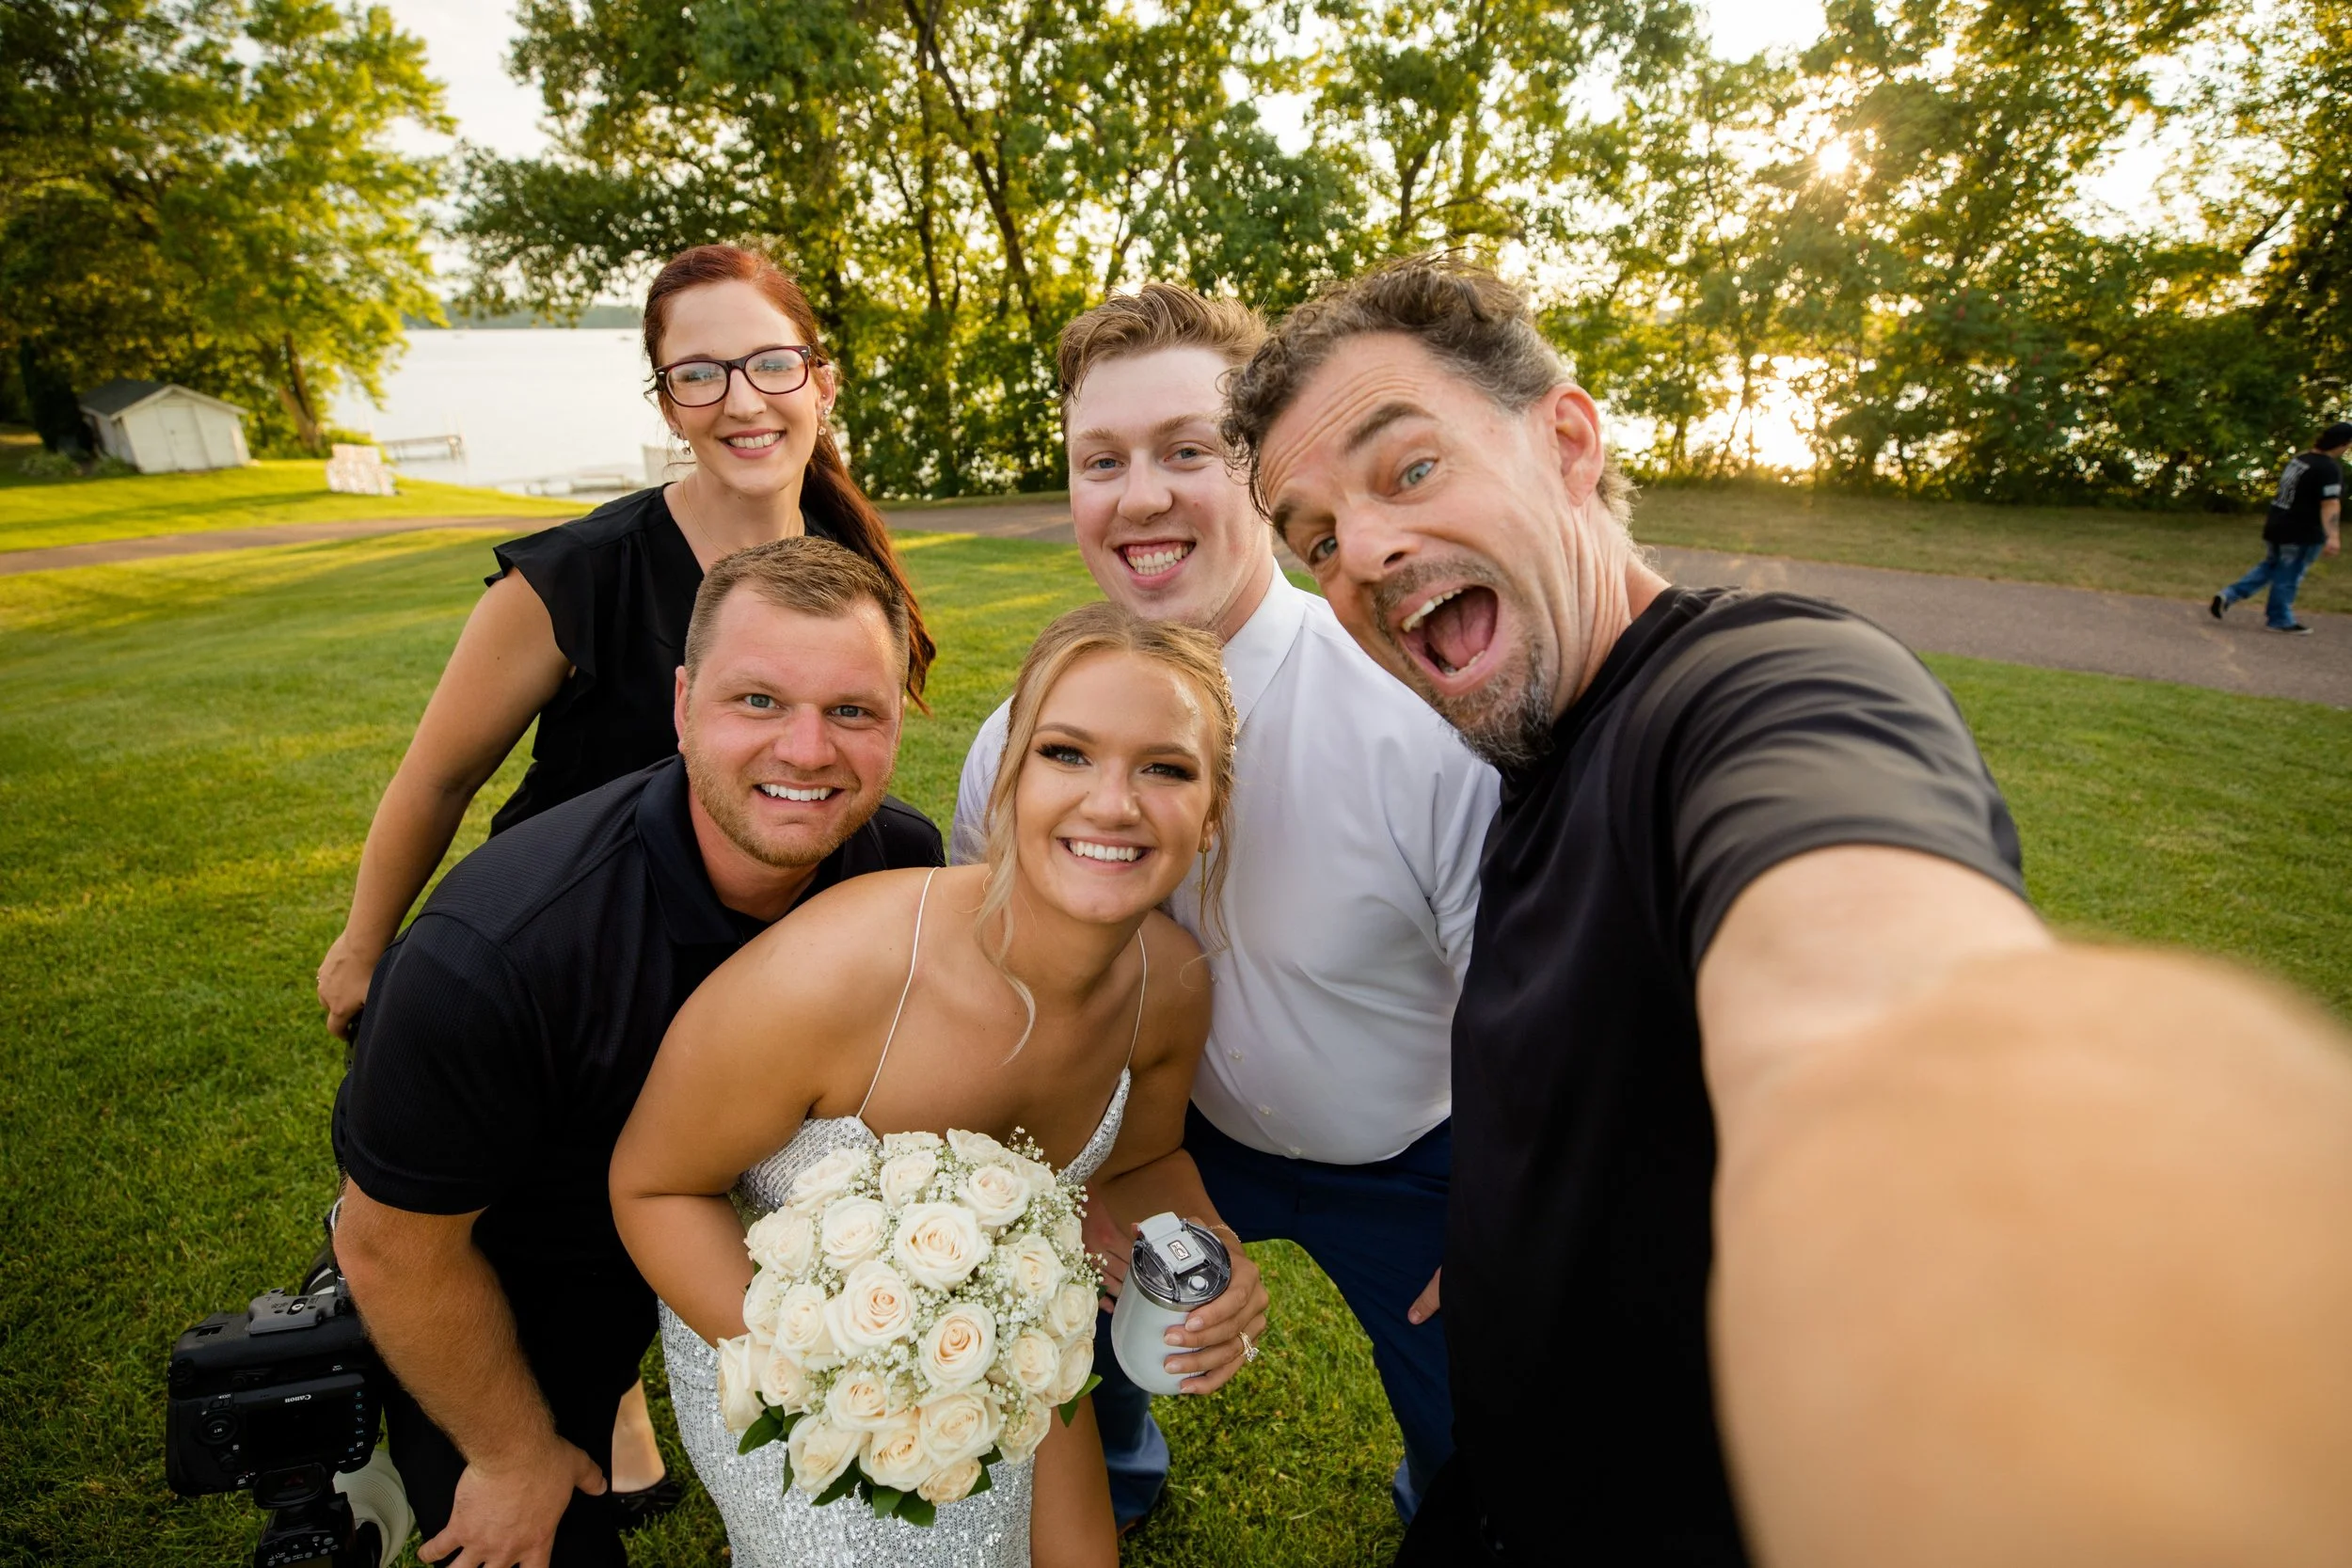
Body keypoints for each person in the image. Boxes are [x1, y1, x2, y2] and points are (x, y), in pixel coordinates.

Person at [1225, 256, 2352, 1566]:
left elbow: (1863, 969)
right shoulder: (1535, 757)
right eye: (1312, 537)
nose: (1357, 552)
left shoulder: (1755, 686)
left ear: (1569, 439)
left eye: (1408, 470)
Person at [316, 242, 936, 1511]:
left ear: (821, 379)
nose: (740, 397)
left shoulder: (847, 563)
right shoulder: (582, 573)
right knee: (546, 1215)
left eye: (769, 362)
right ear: (663, 399)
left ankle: (654, 1393)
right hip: (582, 948)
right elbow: (437, 778)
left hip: (756, 947)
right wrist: (366, 946)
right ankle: (534, 1409)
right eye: (696, 372)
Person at [949, 285, 1498, 1527]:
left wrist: (1517, 1201)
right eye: (1104, 460)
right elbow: (988, 978)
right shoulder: (1018, 740)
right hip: (1153, 1128)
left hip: (1415, 1147)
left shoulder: (1414, 714)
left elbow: (1532, 993)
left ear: (1263, 466)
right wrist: (1072, 1186)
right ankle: (1119, 1454)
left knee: (1488, 1455)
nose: (1141, 497)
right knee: (1043, 1303)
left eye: (1188, 450)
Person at [612, 601, 1273, 1568]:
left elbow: (1141, 1163)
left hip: (1015, 1373)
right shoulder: (836, 972)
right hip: (783, 1360)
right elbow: (653, 1185)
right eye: (1066, 753)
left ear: (1212, 810)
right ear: (1006, 778)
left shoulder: (1169, 985)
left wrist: (1202, 1258)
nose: (1112, 803)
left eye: (1166, 768)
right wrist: (836, 1369)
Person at [2210, 420, 2349, 633]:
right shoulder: (2328, 468)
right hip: (2301, 530)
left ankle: (2229, 595)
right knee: (2290, 574)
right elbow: (2330, 503)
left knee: (2271, 567)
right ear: (2342, 444)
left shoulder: (2301, 459)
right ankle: (2280, 618)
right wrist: (2333, 536)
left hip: (2278, 522)